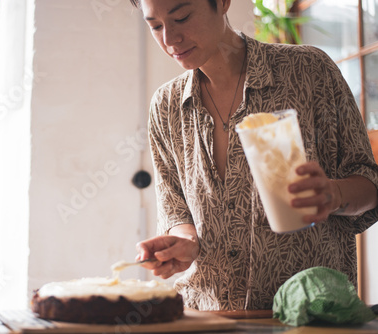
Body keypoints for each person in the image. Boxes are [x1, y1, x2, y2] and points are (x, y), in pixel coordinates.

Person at [131, 0, 378, 310]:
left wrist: (334, 193)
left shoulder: (308, 72)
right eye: (155, 26)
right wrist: (184, 241)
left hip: (311, 313)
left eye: (181, 17)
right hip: (208, 313)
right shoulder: (166, 106)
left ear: (222, 3)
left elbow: (370, 183)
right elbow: (175, 210)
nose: (169, 39)